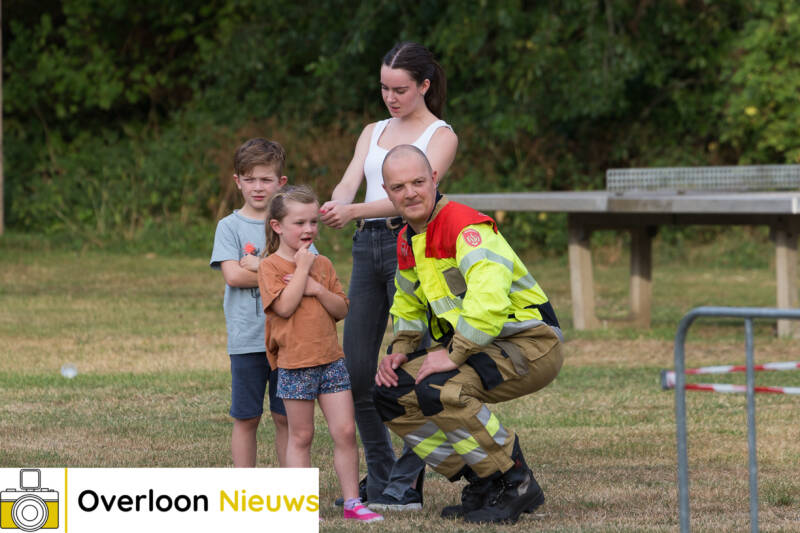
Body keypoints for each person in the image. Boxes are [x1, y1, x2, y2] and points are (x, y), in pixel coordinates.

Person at [373, 145, 564, 524]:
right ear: (387, 192)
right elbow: (407, 304)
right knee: (392, 394)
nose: (410, 193)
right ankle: (485, 480)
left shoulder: (465, 227)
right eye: (398, 187)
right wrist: (400, 349)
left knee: (441, 387)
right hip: (480, 346)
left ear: (434, 179)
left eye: (417, 182)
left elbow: (488, 299)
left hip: (530, 343)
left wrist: (453, 353)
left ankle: (516, 481)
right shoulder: (408, 239)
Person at [320, 41, 458, 511]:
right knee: (357, 372)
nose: (390, 97)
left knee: (414, 372)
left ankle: (406, 481)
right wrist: (333, 206)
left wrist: (353, 210)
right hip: (367, 247)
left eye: (400, 89)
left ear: (424, 85)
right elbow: (349, 181)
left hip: (414, 246)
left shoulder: (441, 136)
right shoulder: (373, 130)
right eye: (384, 88)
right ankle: (380, 476)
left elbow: (412, 197)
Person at [258, 185, 383, 523]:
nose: (309, 229)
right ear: (277, 226)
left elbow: (341, 308)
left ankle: (352, 502)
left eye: (313, 222)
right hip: (296, 365)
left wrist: (316, 287)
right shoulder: (269, 267)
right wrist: (302, 270)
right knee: (301, 435)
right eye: (299, 223)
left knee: (345, 432)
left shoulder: (323, 264)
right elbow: (284, 307)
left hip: (331, 361)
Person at [210, 138, 292, 468]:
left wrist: (260, 267)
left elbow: (306, 270)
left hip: (288, 341)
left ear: (281, 182)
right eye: (250, 179)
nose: (258, 187)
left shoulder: (290, 223)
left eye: (266, 179)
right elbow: (233, 276)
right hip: (247, 340)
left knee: (286, 418)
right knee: (246, 417)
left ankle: (292, 491)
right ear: (238, 181)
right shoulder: (228, 227)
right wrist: (280, 272)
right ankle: (245, 490)